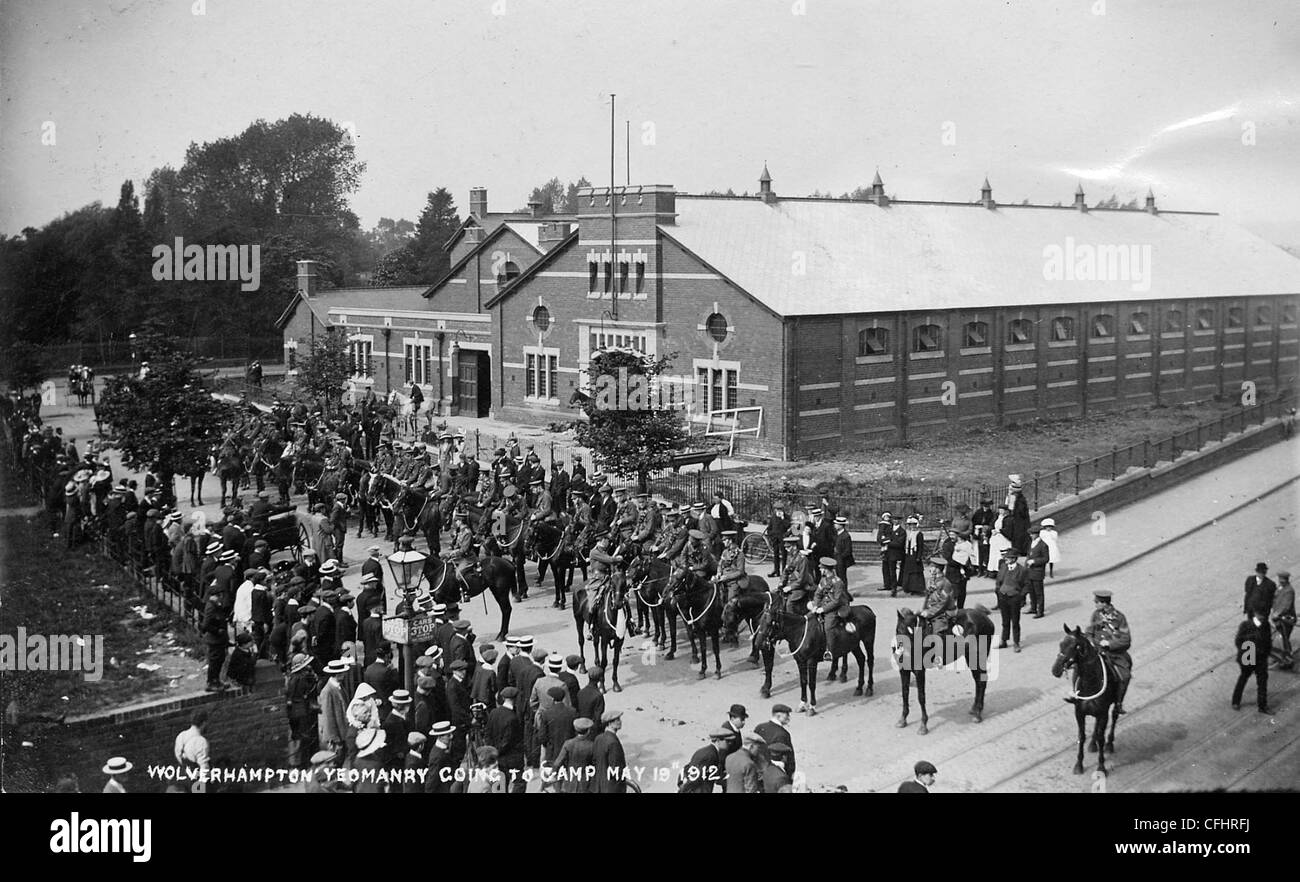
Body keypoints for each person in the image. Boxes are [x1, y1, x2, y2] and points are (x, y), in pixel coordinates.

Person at [1078, 589, 1132, 715]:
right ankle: (1076, 695)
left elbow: (1126, 639)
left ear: (1104, 603)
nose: (1095, 603)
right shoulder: (1096, 614)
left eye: (1096, 602)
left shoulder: (1119, 617)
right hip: (1096, 651)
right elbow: (1090, 631)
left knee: (1125, 676)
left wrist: (1109, 644)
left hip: (1112, 653)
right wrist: (1090, 641)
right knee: (1077, 666)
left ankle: (1118, 703)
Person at [487, 687, 528, 793]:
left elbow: (488, 734)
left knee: (501, 784)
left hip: (497, 756)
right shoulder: (512, 717)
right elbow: (508, 740)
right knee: (520, 782)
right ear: (515, 699)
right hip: (511, 757)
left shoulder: (493, 713)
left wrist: (493, 752)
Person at [811, 556, 852, 660]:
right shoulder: (823, 580)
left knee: (828, 627)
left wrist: (823, 609)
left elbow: (836, 601)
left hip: (834, 609)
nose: (820, 570)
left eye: (821, 568)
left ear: (826, 570)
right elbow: (817, 594)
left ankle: (830, 651)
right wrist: (815, 605)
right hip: (823, 605)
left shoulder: (838, 582)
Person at [1232, 613, 1271, 714]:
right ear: (1256, 614)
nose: (1263, 617)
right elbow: (1238, 641)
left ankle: (1262, 706)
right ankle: (1235, 701)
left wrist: (1265, 653)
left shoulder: (1266, 625)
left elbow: (1268, 641)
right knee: (1244, 677)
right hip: (1249, 656)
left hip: (1261, 658)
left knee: (1262, 682)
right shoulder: (1246, 625)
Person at [553, 717, 598, 793]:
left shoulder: (568, 743)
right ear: (588, 731)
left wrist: (554, 774)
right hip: (586, 783)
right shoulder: (592, 745)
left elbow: (558, 762)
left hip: (570, 782)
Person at [678, 728, 730, 793]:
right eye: (727, 741)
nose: (729, 743)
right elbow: (695, 777)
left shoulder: (706, 751)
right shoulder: (711, 755)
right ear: (718, 741)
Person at [994, 546, 1026, 652]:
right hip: (1003, 597)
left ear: (1013, 559)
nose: (1005, 559)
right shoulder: (1003, 567)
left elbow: (1026, 585)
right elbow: (999, 580)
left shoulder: (1022, 570)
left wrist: (1020, 596)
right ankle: (1004, 640)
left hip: (1014, 599)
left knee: (1015, 621)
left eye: (1007, 558)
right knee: (1005, 620)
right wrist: (999, 591)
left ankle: (1016, 642)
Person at [752, 704, 795, 779]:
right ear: (778, 716)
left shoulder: (760, 727)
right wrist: (790, 773)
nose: (788, 717)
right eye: (786, 715)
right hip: (776, 773)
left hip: (758, 770)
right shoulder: (783, 734)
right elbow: (789, 757)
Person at [317, 659, 350, 756]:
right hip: (336, 736)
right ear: (337, 674)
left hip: (343, 732)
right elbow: (328, 717)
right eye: (342, 673)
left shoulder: (339, 687)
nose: (344, 675)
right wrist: (334, 738)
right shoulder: (327, 691)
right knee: (336, 761)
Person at [919, 555, 956, 638]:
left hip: (943, 613)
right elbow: (928, 598)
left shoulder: (946, 583)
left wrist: (929, 612)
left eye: (932, 567)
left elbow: (942, 603)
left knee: (937, 634)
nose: (930, 569)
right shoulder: (931, 581)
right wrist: (924, 609)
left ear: (937, 569)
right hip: (930, 611)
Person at [174, 711, 211, 787]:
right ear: (204, 723)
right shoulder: (201, 742)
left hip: (185, 779)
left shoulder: (181, 736)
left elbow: (178, 756)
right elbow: (204, 768)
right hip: (197, 783)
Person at [1272, 571, 1295, 669]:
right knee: (1282, 638)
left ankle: (1288, 660)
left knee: (1285, 638)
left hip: (1286, 619)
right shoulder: (1280, 588)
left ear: (1286, 580)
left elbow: (1287, 605)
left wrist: (1278, 613)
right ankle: (1284, 657)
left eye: (1282, 579)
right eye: (1280, 579)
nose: (1280, 581)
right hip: (1278, 618)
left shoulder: (1289, 591)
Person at [1025, 525, 1049, 617]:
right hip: (1030, 571)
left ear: (1037, 534)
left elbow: (1046, 559)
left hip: (1038, 572)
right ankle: (1033, 608)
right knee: (1031, 591)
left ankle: (1040, 611)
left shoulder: (1043, 545)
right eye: (1030, 534)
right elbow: (1028, 555)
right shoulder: (1031, 543)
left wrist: (1034, 561)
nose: (1031, 536)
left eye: (1032, 534)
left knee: (1039, 593)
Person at [765, 501, 791, 577]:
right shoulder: (773, 517)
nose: (778, 511)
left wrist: (783, 518)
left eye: (780, 509)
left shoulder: (786, 517)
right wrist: (771, 535)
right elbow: (769, 527)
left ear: (783, 510)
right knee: (775, 555)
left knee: (784, 555)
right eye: (777, 509)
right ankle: (776, 571)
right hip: (775, 538)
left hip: (783, 538)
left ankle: (784, 571)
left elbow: (788, 526)